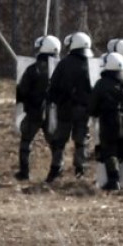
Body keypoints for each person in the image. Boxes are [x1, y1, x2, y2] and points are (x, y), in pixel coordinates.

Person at [44, 31, 95, 182]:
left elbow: (53, 86)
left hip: (65, 108)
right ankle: (80, 170)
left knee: (60, 141)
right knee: (81, 140)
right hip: (84, 109)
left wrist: (54, 100)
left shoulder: (64, 63)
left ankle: (55, 170)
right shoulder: (93, 64)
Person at [89, 51, 123, 191]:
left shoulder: (101, 84)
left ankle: (114, 180)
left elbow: (93, 105)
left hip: (108, 120)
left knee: (109, 150)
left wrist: (94, 113)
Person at [14, 35, 60, 182]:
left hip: (34, 110)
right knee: (55, 143)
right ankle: (56, 172)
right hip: (53, 111)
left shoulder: (33, 69)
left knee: (26, 141)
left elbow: (22, 90)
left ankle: (24, 172)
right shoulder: (60, 69)